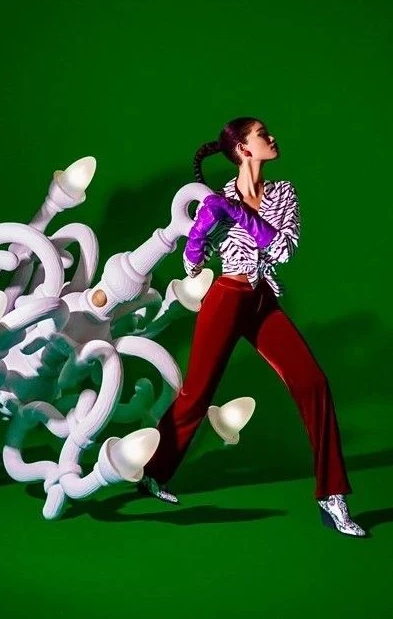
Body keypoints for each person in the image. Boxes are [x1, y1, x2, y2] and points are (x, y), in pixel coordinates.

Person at [137, 117, 366, 538]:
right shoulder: (218, 199)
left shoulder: (283, 193)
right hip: (226, 298)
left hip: (262, 298)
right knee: (196, 393)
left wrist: (239, 213)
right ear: (243, 149)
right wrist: (198, 238)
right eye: (262, 135)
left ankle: (332, 494)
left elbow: (283, 251)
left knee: (313, 382)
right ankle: (153, 472)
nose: (272, 137)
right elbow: (192, 263)